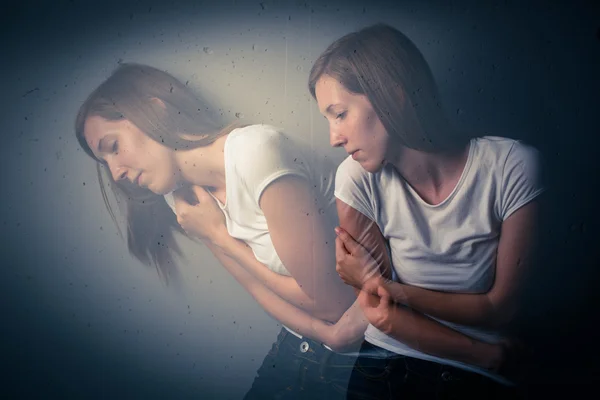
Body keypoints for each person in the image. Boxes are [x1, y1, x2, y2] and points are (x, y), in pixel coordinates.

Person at [75, 63, 513, 399]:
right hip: (304, 345)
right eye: (104, 163)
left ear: (154, 109)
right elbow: (258, 288)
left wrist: (219, 238)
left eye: (112, 148)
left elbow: (333, 299)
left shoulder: (254, 151)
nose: (115, 173)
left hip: (379, 353)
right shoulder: (183, 197)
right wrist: (326, 334)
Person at [308, 23, 543, 399]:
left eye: (339, 114)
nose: (333, 137)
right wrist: (486, 354)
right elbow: (379, 313)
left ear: (392, 96)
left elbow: (499, 310)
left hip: (481, 380)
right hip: (385, 364)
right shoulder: (356, 179)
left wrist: (389, 289)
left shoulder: (511, 166)